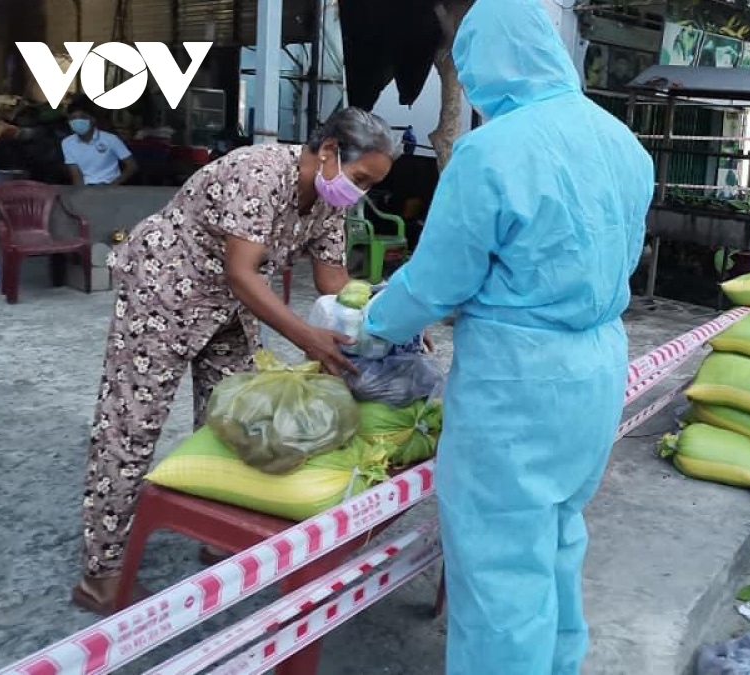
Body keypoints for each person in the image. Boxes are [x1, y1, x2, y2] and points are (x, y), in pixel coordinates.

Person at [361, 0, 654, 672]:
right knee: (557, 536)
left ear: (488, 58)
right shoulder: (623, 144)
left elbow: (438, 281)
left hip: (517, 382)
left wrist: (374, 324)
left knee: (499, 566)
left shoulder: (490, 151)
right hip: (597, 367)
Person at [73, 107, 396, 614]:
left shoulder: (331, 203)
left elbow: (334, 282)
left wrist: (385, 323)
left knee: (234, 419)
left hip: (225, 305)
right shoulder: (259, 172)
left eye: (370, 185)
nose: (360, 193)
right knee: (130, 429)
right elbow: (244, 273)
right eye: (360, 179)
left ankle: (212, 532)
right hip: (163, 293)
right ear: (330, 150)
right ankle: (101, 573)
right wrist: (310, 340)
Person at [61, 99, 138, 186]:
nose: (77, 121)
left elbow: (132, 166)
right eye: (72, 118)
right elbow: (76, 175)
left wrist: (112, 185)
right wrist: (81, 194)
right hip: (86, 189)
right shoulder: (67, 143)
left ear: (93, 119)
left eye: (82, 117)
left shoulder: (110, 139)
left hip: (111, 187)